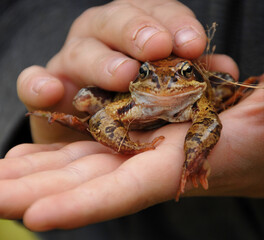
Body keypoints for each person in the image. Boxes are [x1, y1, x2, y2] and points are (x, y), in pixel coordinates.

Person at [0, 0, 264, 239]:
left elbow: (209, 123)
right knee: (83, 99)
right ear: (140, 77)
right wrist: (129, 146)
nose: (164, 84)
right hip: (125, 230)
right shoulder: (130, 100)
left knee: (227, 82)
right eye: (148, 74)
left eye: (182, 73)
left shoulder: (198, 101)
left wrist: (194, 157)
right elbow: (103, 117)